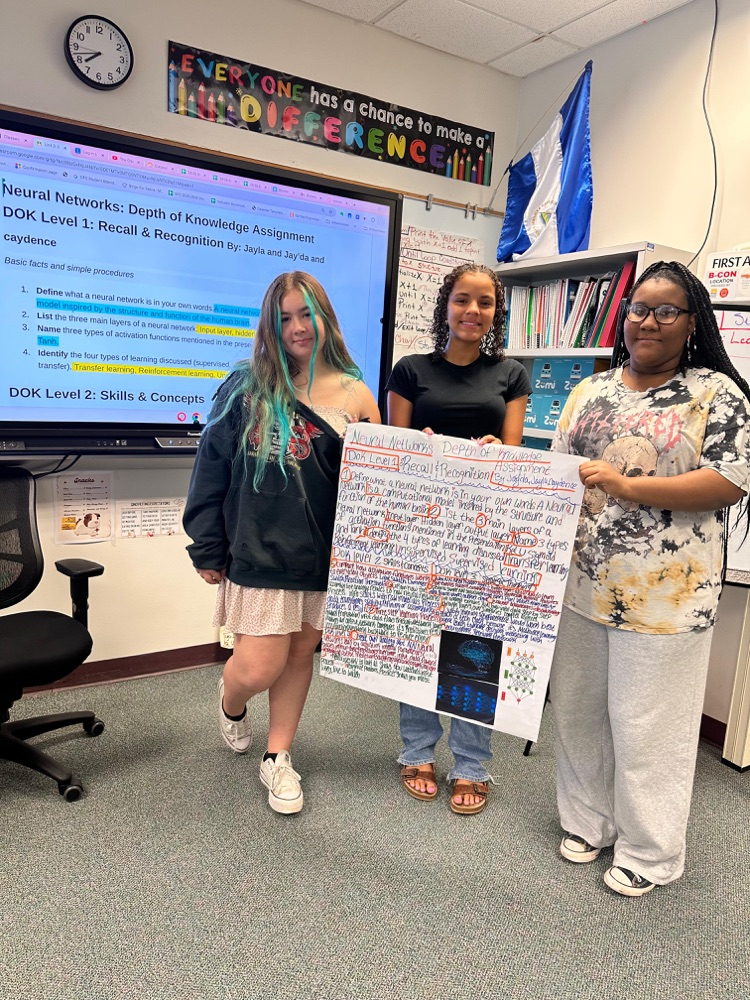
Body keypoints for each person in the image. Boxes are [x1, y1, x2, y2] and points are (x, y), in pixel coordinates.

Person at [550, 260, 750, 895]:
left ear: (692, 323)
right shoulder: (591, 390)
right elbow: (560, 473)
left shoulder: (716, 394)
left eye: (667, 311)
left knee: (649, 728)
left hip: (667, 598)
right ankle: (589, 821)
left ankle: (652, 851)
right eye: (638, 308)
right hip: (581, 586)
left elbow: (730, 480)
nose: (648, 321)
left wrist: (631, 487)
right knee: (581, 714)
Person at [183, 271, 380, 815]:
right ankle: (230, 700)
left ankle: (278, 756)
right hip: (259, 552)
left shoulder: (357, 392)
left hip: (324, 556)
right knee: (256, 667)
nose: (297, 327)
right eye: (284, 317)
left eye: (305, 314)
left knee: (299, 656)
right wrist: (206, 545)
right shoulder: (245, 386)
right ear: (271, 326)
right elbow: (211, 468)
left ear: (325, 317)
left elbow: (375, 484)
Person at [385, 262, 531, 814]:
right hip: (418, 525)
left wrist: (496, 449)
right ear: (445, 306)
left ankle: (472, 764)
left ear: (496, 312)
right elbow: (391, 453)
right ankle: (416, 752)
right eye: (463, 300)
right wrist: (419, 446)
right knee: (418, 643)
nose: (474, 311)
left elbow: (515, 456)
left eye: (486, 302)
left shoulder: (511, 374)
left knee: (474, 648)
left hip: (483, 529)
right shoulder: (410, 369)